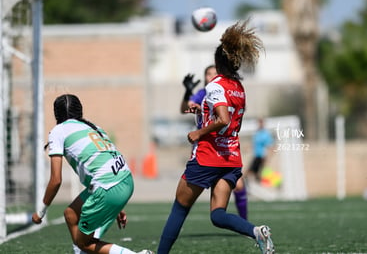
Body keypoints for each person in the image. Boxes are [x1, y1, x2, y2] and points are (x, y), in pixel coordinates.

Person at [158, 20, 274, 254]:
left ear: (218, 63)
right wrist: (201, 111)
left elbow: (222, 118)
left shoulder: (215, 86)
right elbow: (229, 117)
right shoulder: (238, 88)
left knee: (180, 208)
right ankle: (256, 231)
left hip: (207, 157)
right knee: (217, 215)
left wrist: (197, 133)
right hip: (231, 159)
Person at [32, 94, 153, 254]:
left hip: (108, 187)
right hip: (124, 180)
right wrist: (114, 206)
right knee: (70, 215)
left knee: (83, 243)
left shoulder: (58, 131)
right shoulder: (93, 127)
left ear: (57, 114)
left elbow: (55, 180)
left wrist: (41, 211)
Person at [180, 65, 249, 220]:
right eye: (208, 74)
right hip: (207, 147)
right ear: (204, 77)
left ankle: (246, 224)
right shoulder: (202, 94)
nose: (211, 76)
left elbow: (228, 117)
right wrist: (188, 94)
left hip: (225, 147)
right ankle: (247, 227)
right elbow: (185, 108)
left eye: (214, 73)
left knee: (239, 186)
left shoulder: (227, 91)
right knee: (187, 199)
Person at [248, 118, 275, 182]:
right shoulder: (257, 133)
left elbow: (270, 146)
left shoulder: (265, 134)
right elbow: (254, 145)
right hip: (256, 156)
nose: (259, 124)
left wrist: (268, 157)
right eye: (259, 123)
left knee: (256, 173)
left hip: (262, 156)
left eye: (261, 122)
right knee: (253, 173)